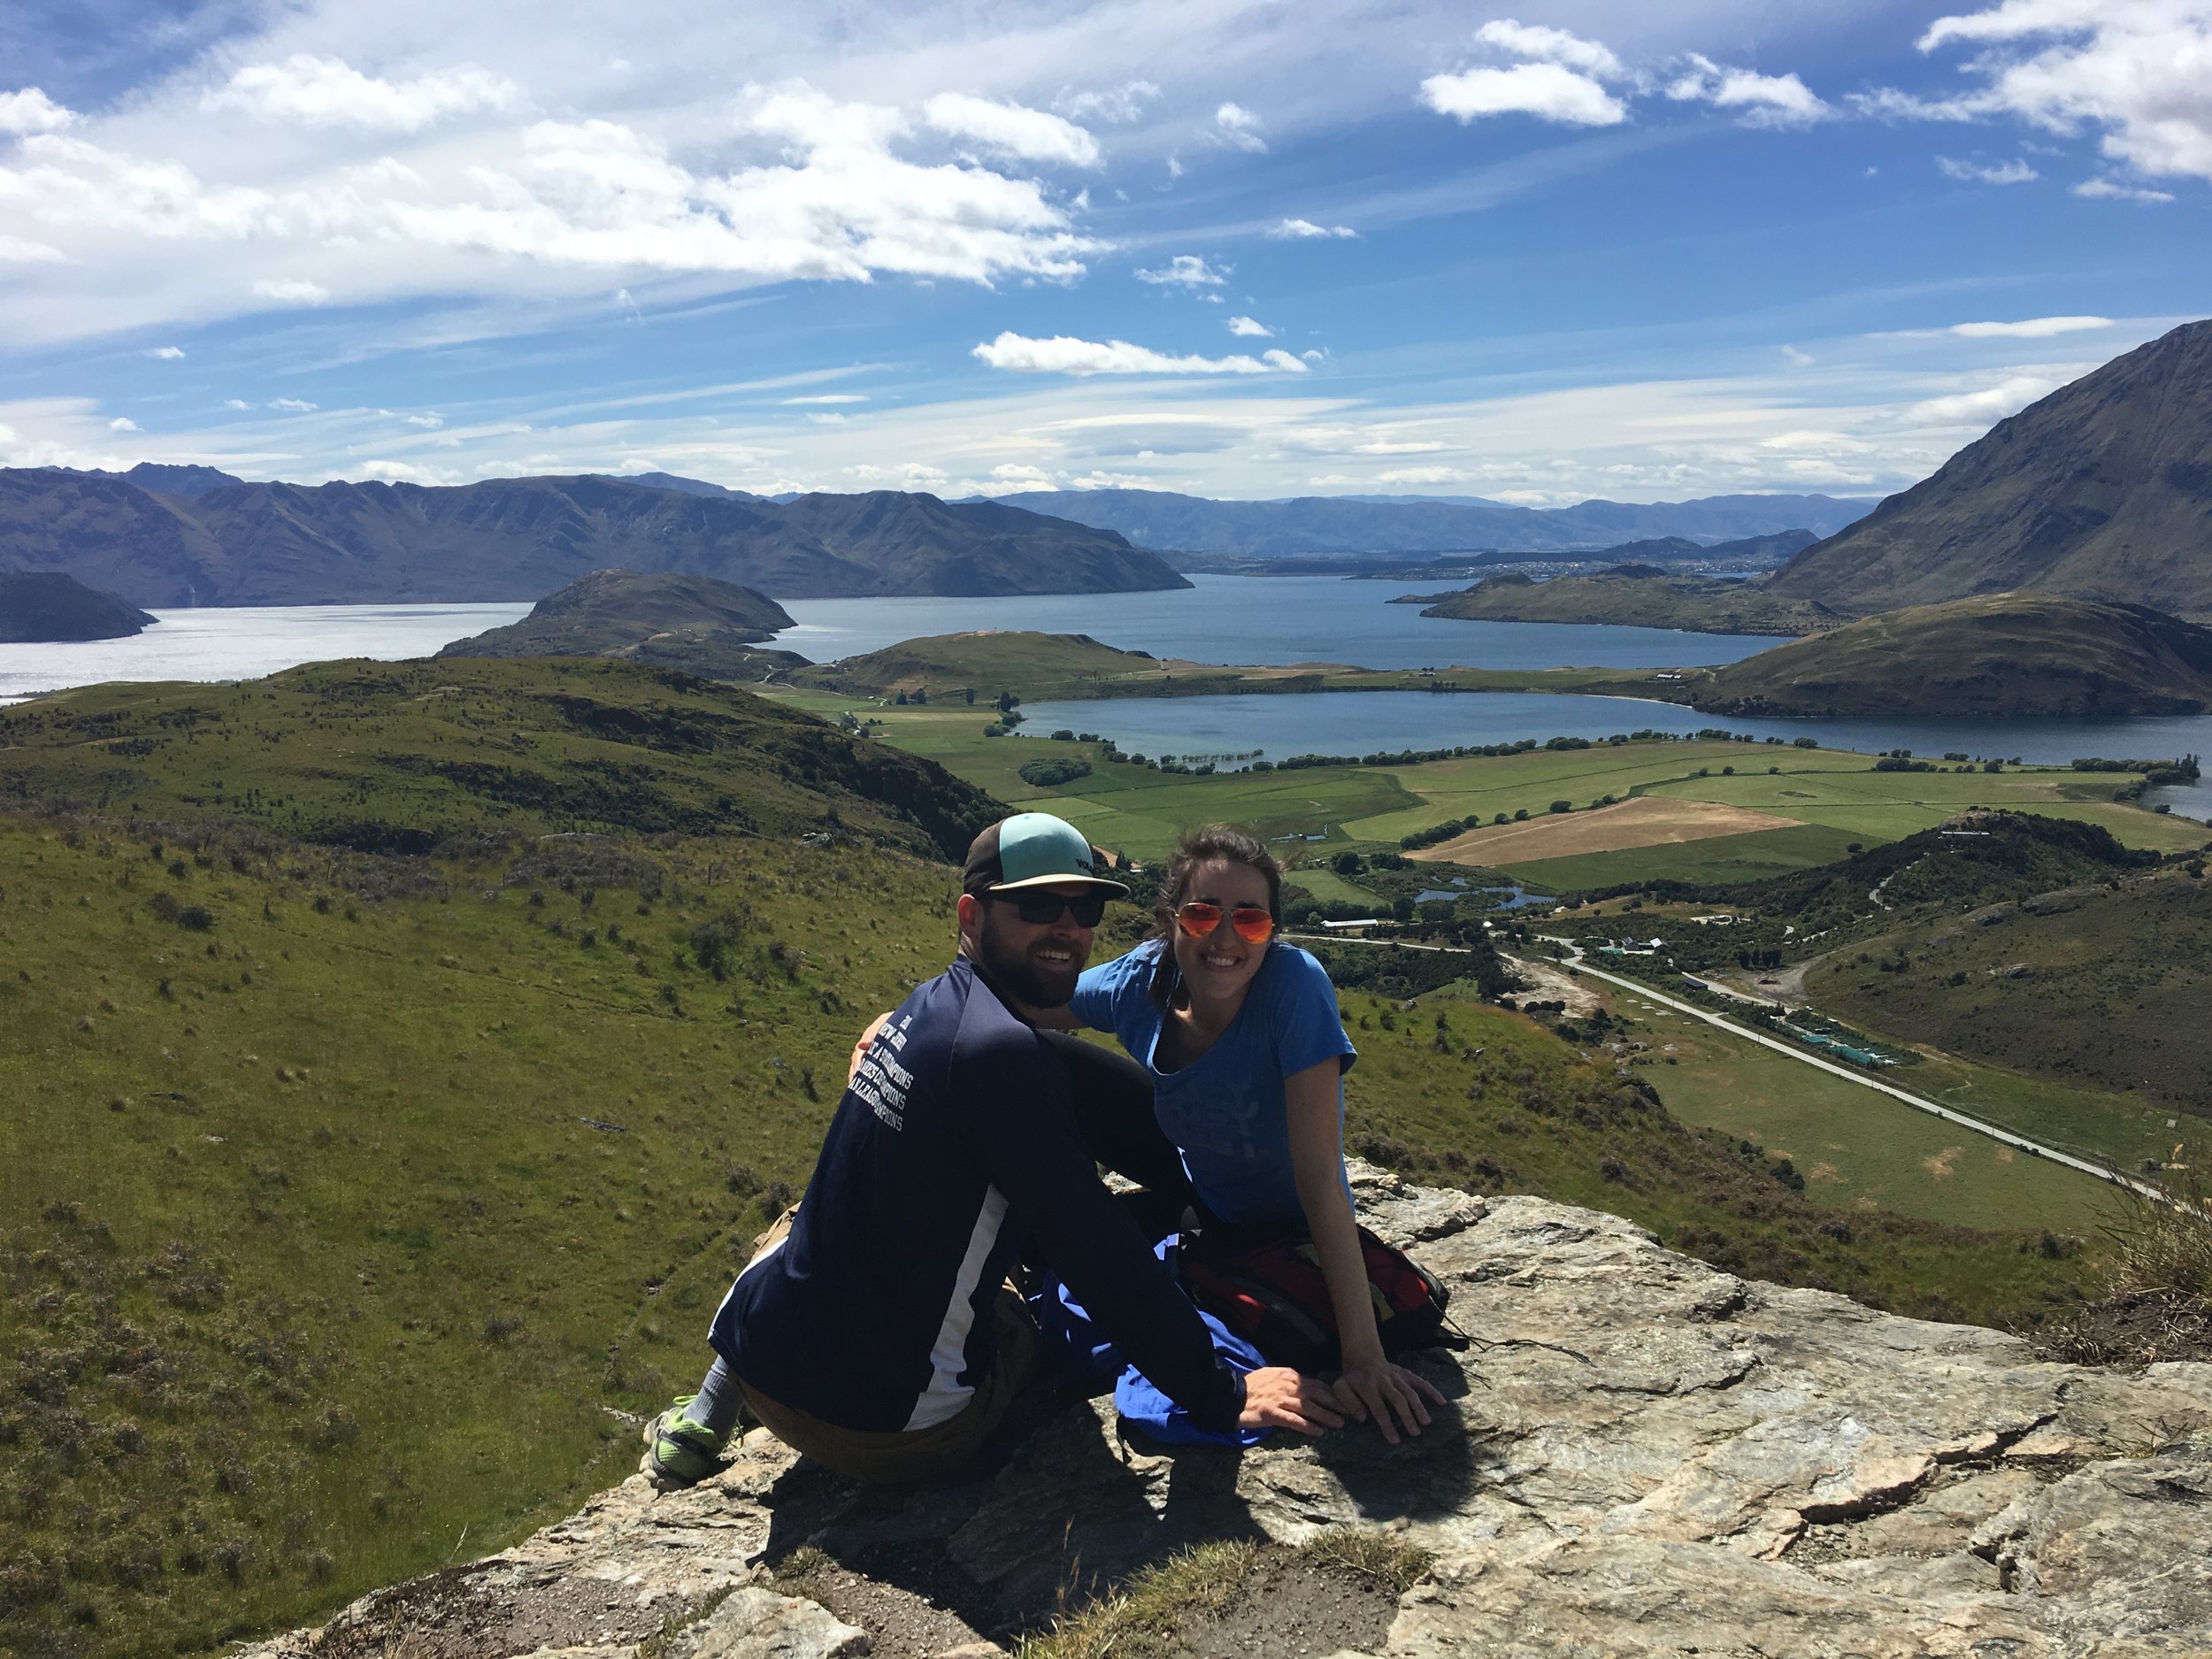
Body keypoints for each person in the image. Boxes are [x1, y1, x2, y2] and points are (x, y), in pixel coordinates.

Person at [641, 811, 1343, 1487]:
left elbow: (1060, 1088)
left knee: (805, 1220)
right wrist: (1220, 1388)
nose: (1067, 930)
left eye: (1085, 910)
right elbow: (1096, 1254)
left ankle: (706, 1414)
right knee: (1024, 1299)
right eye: (1037, 907)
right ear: (971, 916)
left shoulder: (932, 1006)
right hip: (901, 1434)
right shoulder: (1003, 1059)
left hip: (763, 1365)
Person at [1048, 825, 1445, 1446]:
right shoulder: (1139, 982)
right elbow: (1021, 1004)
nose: (1226, 938)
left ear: (1272, 932)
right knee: (1031, 1057)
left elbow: (1319, 1176)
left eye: (1251, 920)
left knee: (1093, 1270)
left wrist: (1362, 1356)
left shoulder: (1292, 986)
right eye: (1203, 914)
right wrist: (906, 1020)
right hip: (1196, 1185)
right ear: (1171, 920)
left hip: (1278, 1227)